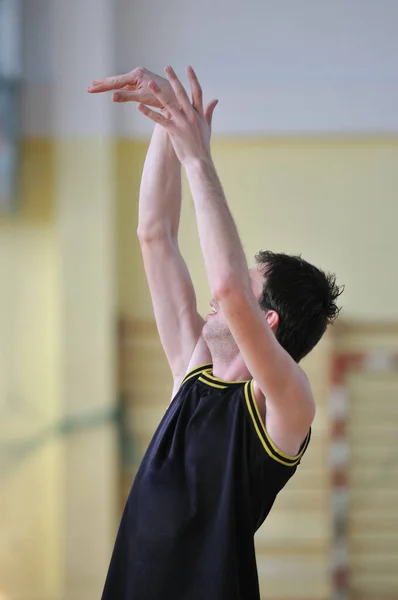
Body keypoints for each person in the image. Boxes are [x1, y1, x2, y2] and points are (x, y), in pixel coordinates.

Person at [88, 66, 343, 600]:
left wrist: (198, 158)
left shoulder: (286, 405)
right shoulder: (193, 371)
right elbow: (154, 234)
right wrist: (167, 117)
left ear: (266, 320)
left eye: (249, 290)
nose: (217, 294)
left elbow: (227, 288)